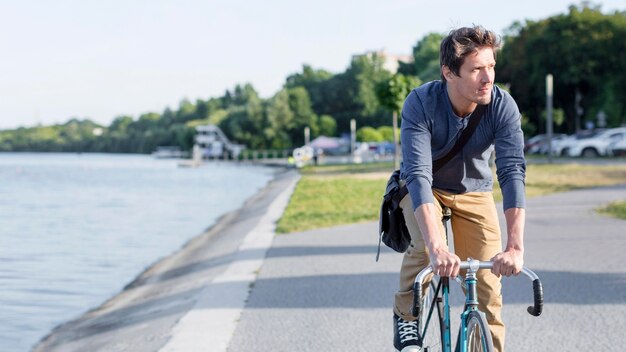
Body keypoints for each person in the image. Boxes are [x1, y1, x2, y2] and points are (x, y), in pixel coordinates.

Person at [393, 26, 526, 352]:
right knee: (425, 245)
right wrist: (439, 248)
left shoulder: (501, 105)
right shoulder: (421, 103)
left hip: (474, 191)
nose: (488, 77)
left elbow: (511, 173)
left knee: (488, 286)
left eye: (491, 66)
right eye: (477, 69)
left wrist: (515, 247)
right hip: (426, 188)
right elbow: (419, 175)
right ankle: (406, 317)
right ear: (449, 72)